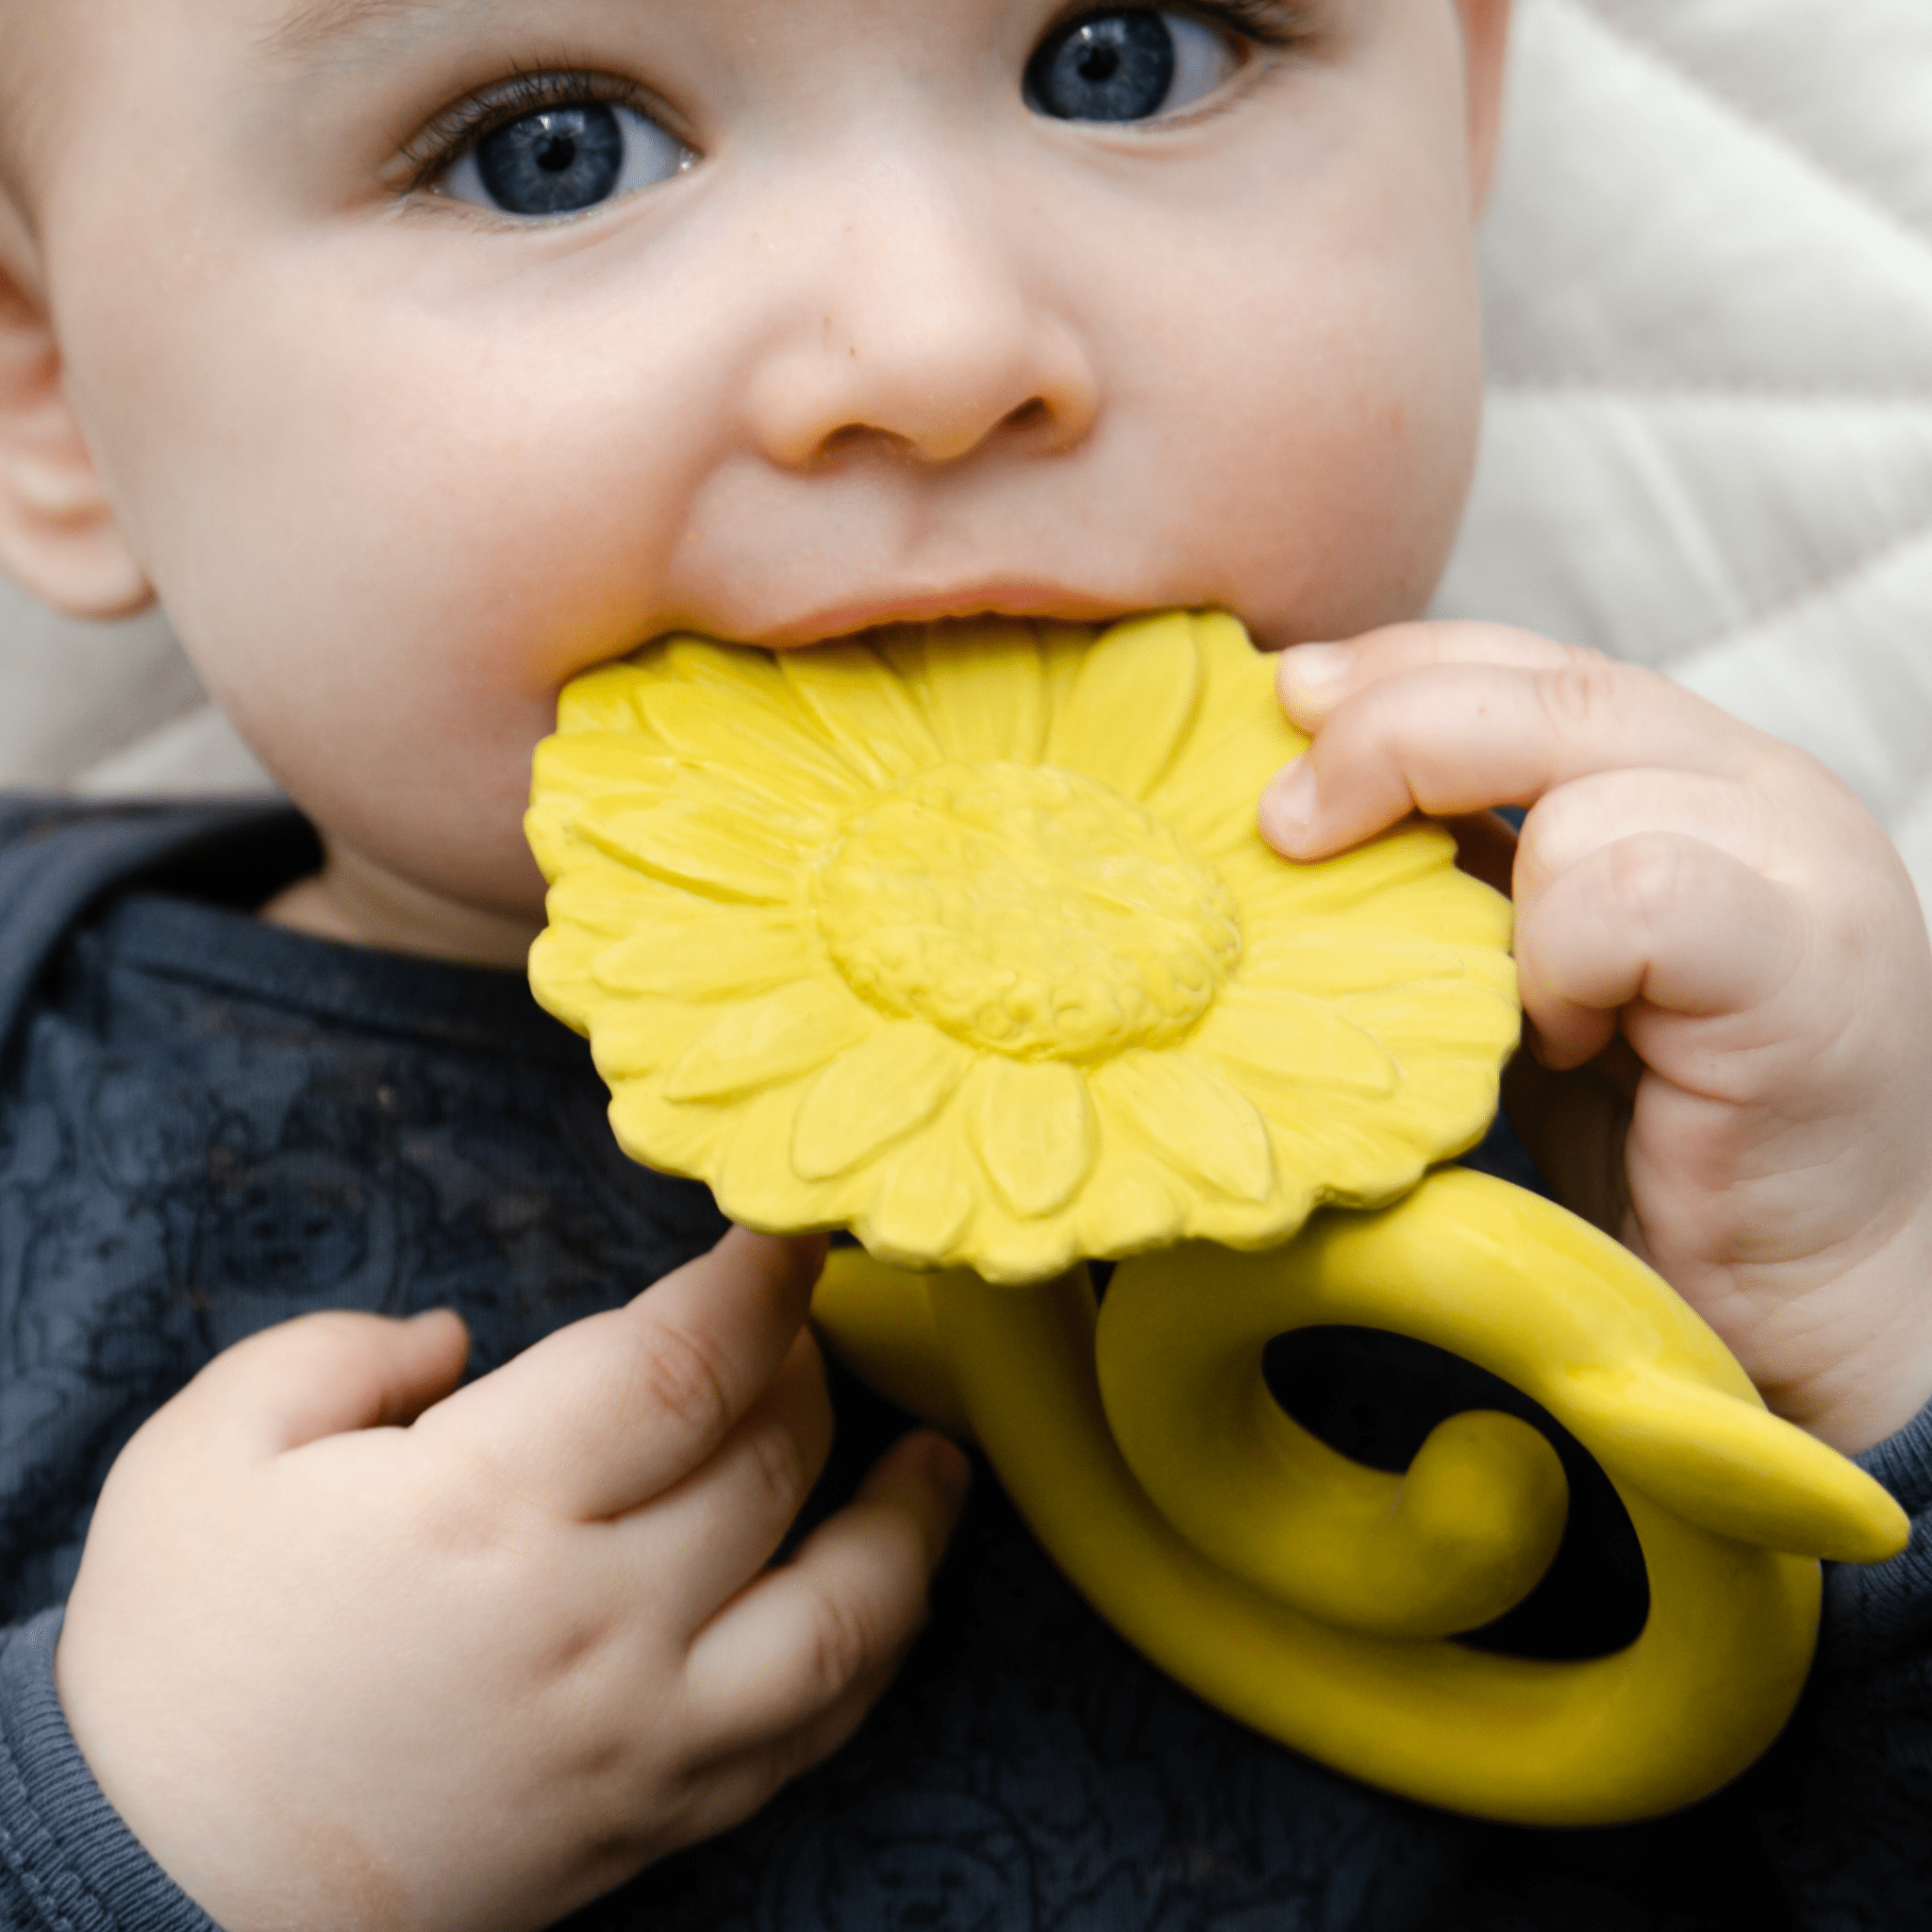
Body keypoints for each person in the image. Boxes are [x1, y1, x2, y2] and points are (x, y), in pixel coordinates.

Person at [0, 0, 1926, 1925]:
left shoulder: (1648, 1076)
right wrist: (146, 1836)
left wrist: (1872, 1333)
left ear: (1462, 117)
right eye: (549, 149)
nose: (937, 349)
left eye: (1128, 56)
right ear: (52, 381)